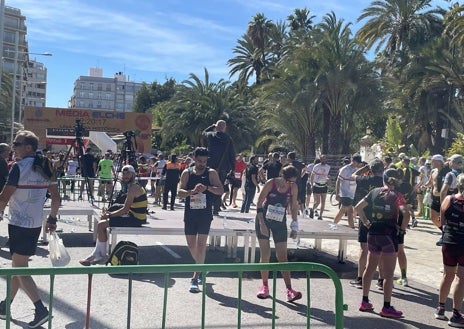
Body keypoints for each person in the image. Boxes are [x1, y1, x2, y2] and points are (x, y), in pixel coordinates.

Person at [0, 130, 60, 328]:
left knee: (19, 267)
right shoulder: (46, 165)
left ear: (29, 147)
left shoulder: (18, 167)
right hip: (35, 223)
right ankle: (5, 304)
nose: (14, 148)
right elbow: (56, 196)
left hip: (18, 223)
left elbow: (4, 196)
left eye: (17, 144)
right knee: (19, 265)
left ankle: (40, 309)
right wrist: (52, 218)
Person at [355, 168, 410, 319]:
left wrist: (366, 222)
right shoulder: (397, 196)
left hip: (372, 233)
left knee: (370, 267)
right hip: (388, 236)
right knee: (388, 274)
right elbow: (406, 213)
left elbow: (358, 208)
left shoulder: (374, 192)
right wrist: (402, 229)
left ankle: (364, 301)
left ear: (383, 180)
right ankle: (386, 307)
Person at [80, 165, 148, 266]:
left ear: (133, 174)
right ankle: (98, 253)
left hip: (136, 219)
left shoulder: (133, 188)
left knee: (101, 225)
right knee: (105, 218)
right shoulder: (134, 186)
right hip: (135, 215)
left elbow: (125, 210)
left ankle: (100, 255)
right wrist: (110, 212)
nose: (125, 176)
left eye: (128, 173)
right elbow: (124, 206)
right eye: (124, 174)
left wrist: (110, 215)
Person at [177, 147, 224, 293]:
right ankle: (202, 267)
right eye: (199, 161)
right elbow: (180, 192)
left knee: (201, 245)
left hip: (204, 214)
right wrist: (192, 191)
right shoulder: (187, 173)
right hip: (190, 214)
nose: (202, 163)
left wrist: (208, 188)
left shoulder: (211, 173)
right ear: (194, 159)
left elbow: (221, 190)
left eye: (204, 161)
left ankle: (195, 278)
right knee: (192, 245)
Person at [255, 165, 302, 302]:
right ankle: (264, 286)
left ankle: (289, 289)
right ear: (282, 175)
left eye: (293, 181)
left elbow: (294, 206)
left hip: (279, 221)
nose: (290, 184)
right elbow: (258, 203)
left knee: (282, 256)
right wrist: (262, 224)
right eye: (288, 181)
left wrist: (294, 225)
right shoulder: (271, 183)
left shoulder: (293, 187)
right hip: (263, 219)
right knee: (266, 254)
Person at [349, 159, 385, 289]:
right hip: (382, 217)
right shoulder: (385, 182)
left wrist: (364, 168)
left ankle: (360, 278)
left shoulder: (365, 179)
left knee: (364, 249)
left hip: (365, 215)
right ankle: (381, 280)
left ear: (371, 170)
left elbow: (353, 175)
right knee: (380, 249)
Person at [435, 173, 464, 325]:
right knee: (461, 278)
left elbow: (442, 220)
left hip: (449, 241)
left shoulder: (449, 199)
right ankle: (456, 314)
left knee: (447, 275)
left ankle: (440, 308)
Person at [202, 120, 236, 215]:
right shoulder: (228, 139)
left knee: (207, 186)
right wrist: (232, 168)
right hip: (222, 168)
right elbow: (232, 154)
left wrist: (212, 126)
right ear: (224, 128)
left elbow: (203, 133)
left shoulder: (211, 135)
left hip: (209, 166)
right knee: (219, 187)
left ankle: (207, 207)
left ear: (216, 127)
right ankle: (216, 209)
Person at [334, 154, 362, 228]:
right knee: (350, 211)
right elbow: (338, 181)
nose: (358, 164)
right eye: (357, 162)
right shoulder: (345, 169)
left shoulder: (357, 170)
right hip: (345, 193)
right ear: (353, 161)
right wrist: (337, 193)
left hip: (352, 194)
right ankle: (352, 228)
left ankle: (334, 224)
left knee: (343, 211)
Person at [310, 154, 331, 220]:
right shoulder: (316, 166)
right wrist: (311, 184)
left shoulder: (328, 167)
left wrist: (329, 182)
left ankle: (320, 216)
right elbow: (312, 176)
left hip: (324, 185)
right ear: (320, 159)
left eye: (325, 159)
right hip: (316, 185)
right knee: (317, 201)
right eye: (322, 159)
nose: (323, 160)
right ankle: (312, 210)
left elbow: (328, 176)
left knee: (323, 201)